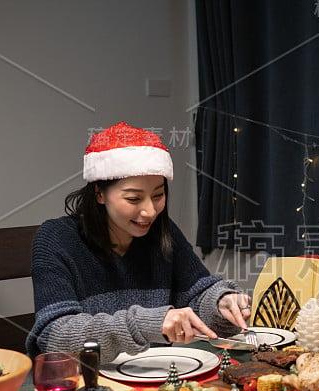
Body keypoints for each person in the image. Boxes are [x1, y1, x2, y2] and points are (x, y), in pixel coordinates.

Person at [26, 122, 251, 363]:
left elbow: (198, 294)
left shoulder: (162, 233)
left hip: (154, 380)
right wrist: (146, 324)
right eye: (133, 198)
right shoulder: (56, 238)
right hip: (85, 386)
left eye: (158, 195)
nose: (150, 212)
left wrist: (221, 303)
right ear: (99, 194)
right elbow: (56, 336)